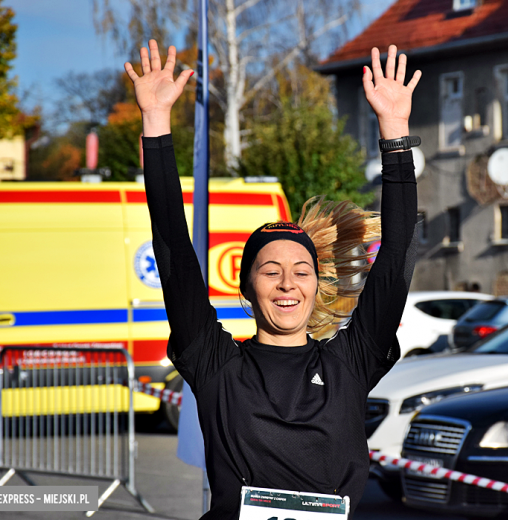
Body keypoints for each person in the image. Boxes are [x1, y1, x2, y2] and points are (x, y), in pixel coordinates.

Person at [124, 40, 421, 518]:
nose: (288, 283)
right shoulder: (214, 362)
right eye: (271, 270)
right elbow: (175, 251)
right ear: (247, 287)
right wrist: (155, 123)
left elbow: (397, 254)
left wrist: (394, 131)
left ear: (316, 284)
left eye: (302, 271)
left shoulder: (352, 361)